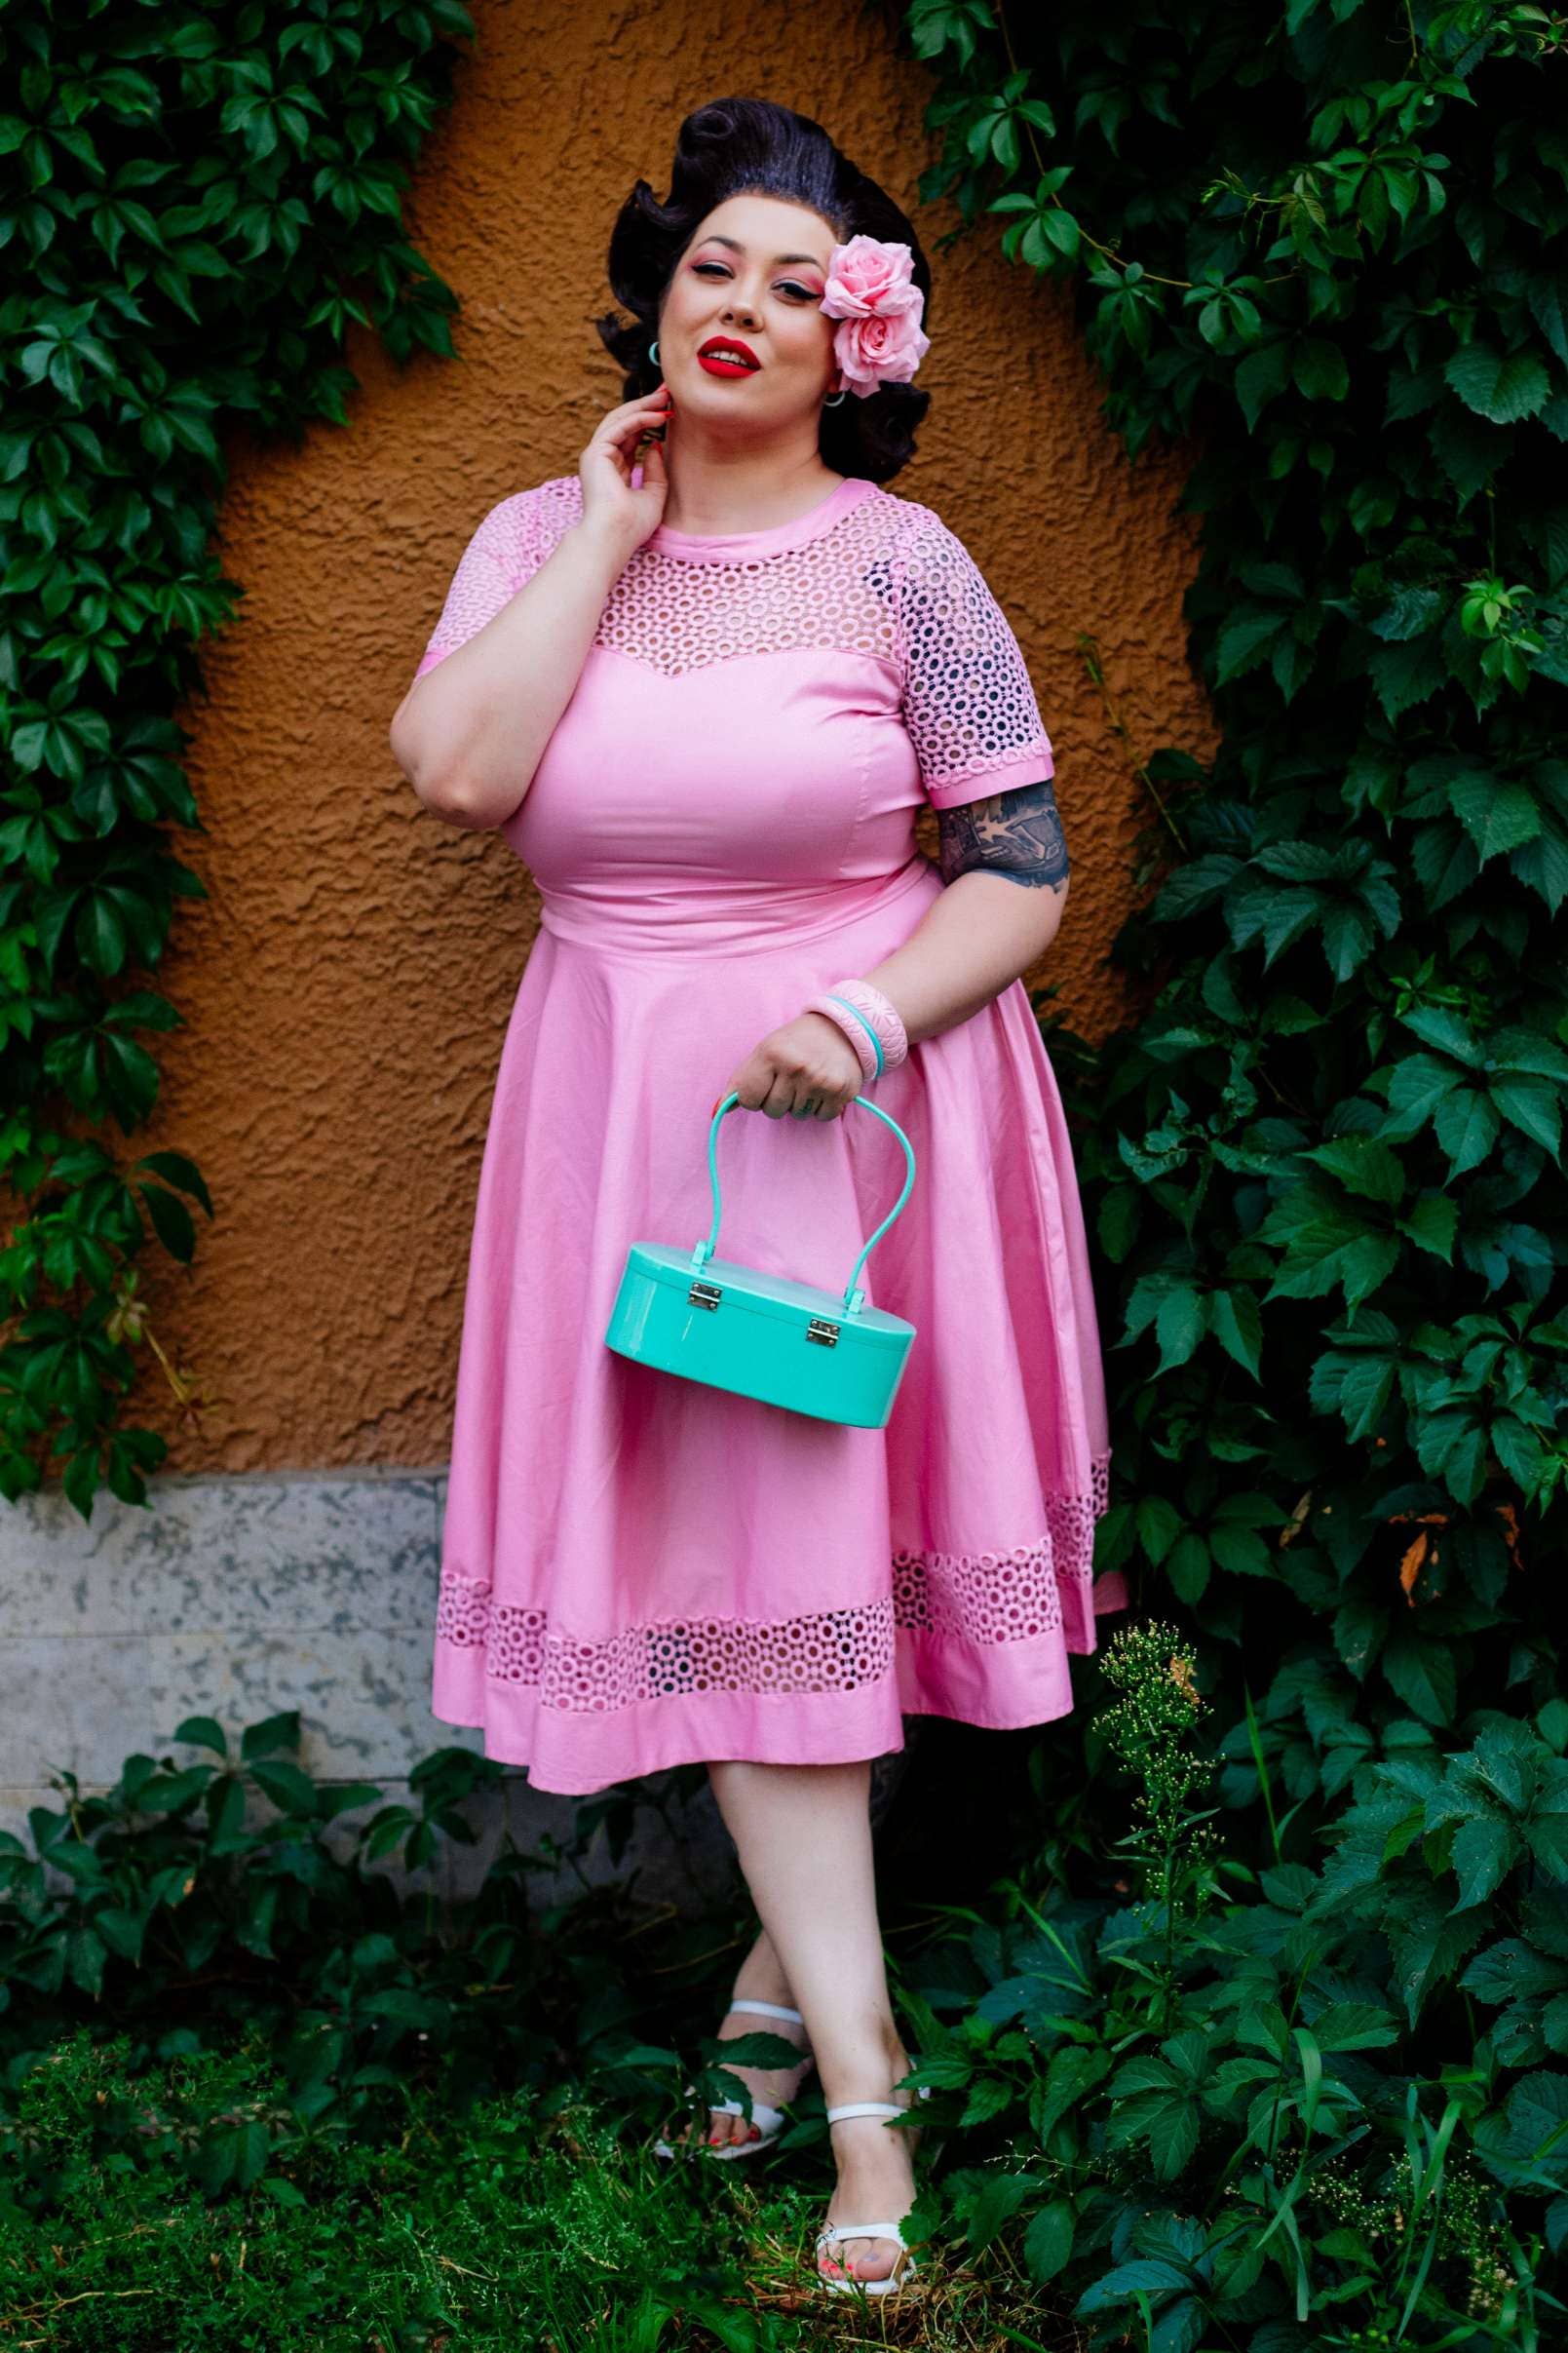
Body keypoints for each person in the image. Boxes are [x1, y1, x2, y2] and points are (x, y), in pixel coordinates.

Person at [388, 94, 1123, 2300]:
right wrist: (607, 534)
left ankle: (855, 2077)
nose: (744, 305)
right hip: (628, 1118)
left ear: (855, 343)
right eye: (713, 262)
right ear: (657, 293)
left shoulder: (908, 568)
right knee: (753, 1569)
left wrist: (868, 1016)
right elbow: (455, 773)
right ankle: (805, 2002)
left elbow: (1020, 873)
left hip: (866, 1120)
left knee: (801, 1562)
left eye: (800, 284)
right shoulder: (539, 534)